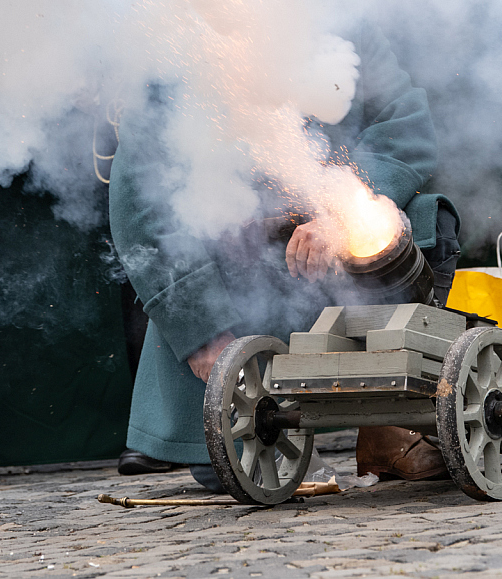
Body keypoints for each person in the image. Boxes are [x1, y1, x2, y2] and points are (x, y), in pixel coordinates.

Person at [108, 28, 460, 489]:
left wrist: (341, 211)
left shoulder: (345, 22)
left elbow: (404, 125)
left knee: (424, 221)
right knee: (236, 471)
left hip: (336, 248)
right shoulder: (172, 44)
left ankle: (388, 423)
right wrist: (204, 335)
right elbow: (143, 209)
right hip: (233, 282)